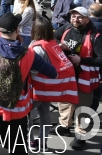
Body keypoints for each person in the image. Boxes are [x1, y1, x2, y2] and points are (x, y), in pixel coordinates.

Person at [0, 13, 57, 155]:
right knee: (18, 146)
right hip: (17, 108)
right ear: (17, 30)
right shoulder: (29, 53)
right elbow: (52, 73)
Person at [54, 6, 102, 150]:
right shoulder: (66, 29)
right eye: (73, 16)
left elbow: (101, 59)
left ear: (87, 19)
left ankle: (81, 135)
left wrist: (81, 60)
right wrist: (59, 45)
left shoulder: (96, 35)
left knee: (83, 107)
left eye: (80, 17)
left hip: (85, 77)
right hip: (67, 75)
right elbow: (54, 39)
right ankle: (64, 125)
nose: (76, 19)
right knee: (64, 102)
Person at [28, 17, 78, 152]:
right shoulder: (52, 43)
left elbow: (32, 69)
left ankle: (30, 140)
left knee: (26, 114)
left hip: (39, 88)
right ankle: (43, 141)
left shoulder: (38, 48)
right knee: (45, 114)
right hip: (48, 88)